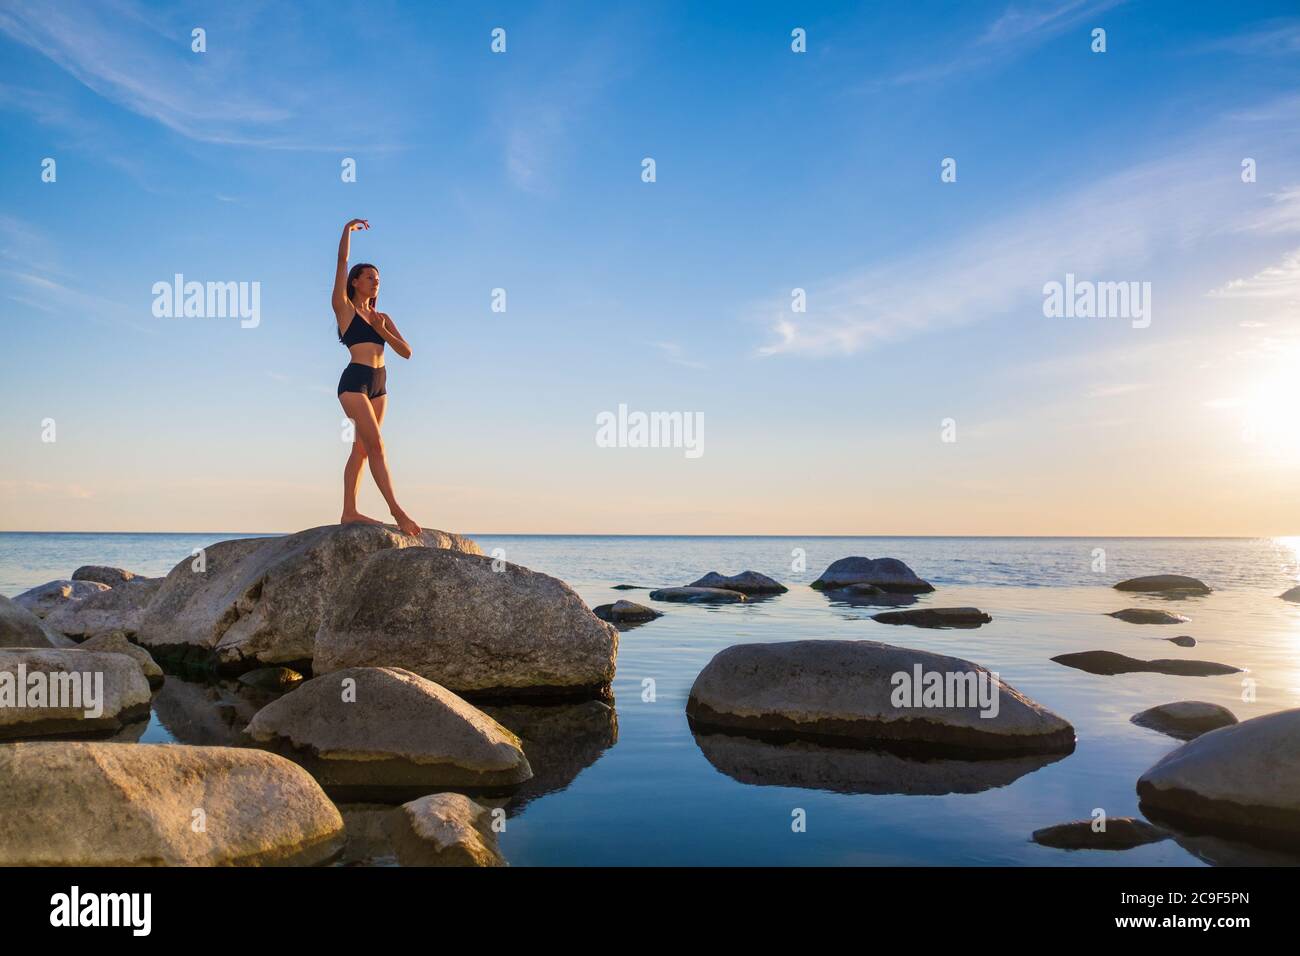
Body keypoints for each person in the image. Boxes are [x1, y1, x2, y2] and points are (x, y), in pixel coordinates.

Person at [332, 218, 421, 536]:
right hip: (354, 382)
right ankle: (398, 511)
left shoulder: (382, 317)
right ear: (355, 282)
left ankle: (349, 511)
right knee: (378, 445)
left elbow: (407, 352)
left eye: (378, 279)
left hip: (380, 385)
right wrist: (346, 231)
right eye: (369, 277)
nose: (375, 282)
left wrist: (383, 330)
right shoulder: (344, 309)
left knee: (363, 448)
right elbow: (341, 263)